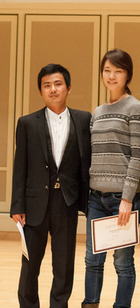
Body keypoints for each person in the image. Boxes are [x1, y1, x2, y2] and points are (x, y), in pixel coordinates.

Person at [10, 63, 91, 307]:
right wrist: (17, 205)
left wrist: (88, 202)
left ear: (68, 88)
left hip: (66, 202)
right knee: (30, 264)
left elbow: (86, 163)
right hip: (34, 205)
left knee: (64, 265)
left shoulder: (84, 120)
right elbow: (20, 166)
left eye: (58, 84)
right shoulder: (27, 123)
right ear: (41, 91)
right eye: (47, 85)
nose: (53, 89)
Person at [81, 49, 140, 308]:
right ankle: (90, 304)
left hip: (123, 199)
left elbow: (138, 156)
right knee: (92, 260)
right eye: (107, 70)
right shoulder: (97, 112)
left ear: (127, 74)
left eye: (118, 71)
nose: (111, 76)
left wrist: (128, 199)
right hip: (96, 199)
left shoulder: (135, 107)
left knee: (123, 263)